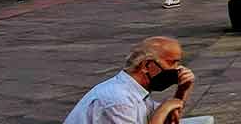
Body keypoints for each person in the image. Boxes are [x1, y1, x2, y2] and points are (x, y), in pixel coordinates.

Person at [63, 36, 194, 124]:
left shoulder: (136, 90)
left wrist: (181, 91)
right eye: (172, 63)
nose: (178, 69)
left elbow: (170, 120)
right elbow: (159, 118)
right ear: (147, 65)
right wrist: (163, 109)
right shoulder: (119, 100)